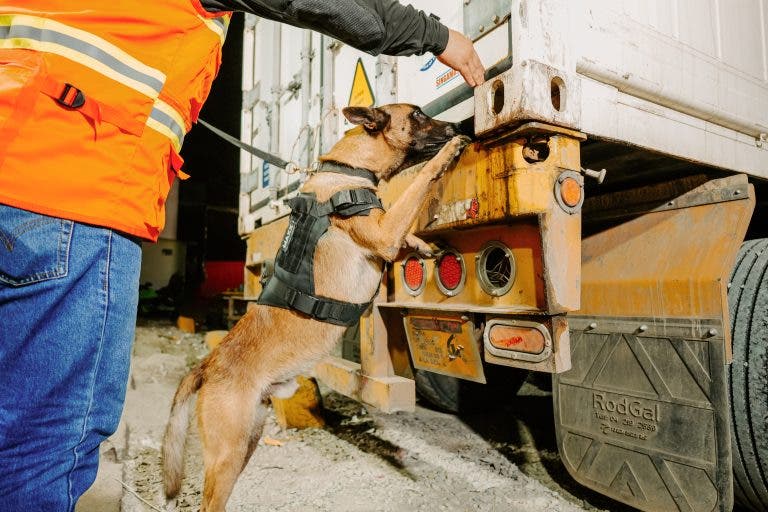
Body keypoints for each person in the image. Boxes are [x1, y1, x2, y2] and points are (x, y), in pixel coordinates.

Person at [0, 1, 484, 510]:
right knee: (49, 440)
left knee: (17, 423)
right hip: (73, 194)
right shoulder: (349, 190)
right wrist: (437, 38)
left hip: (24, 176)